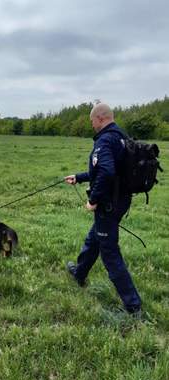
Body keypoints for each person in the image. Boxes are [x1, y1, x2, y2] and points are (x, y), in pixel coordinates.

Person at [65, 102, 141, 314]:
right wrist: (79, 177)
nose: (92, 125)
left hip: (108, 203)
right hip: (120, 201)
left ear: (100, 118)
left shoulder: (105, 140)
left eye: (92, 121)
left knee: (109, 253)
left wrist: (93, 200)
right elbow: (109, 171)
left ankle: (133, 306)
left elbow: (106, 172)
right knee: (94, 239)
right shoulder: (122, 137)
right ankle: (79, 273)